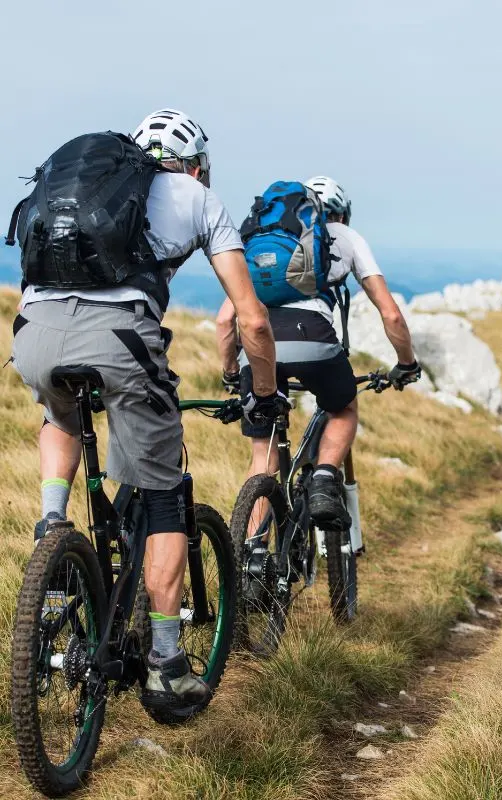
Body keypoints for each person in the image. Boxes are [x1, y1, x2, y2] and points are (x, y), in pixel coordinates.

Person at [11, 109, 278, 714]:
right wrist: (261, 393)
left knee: (59, 416)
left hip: (32, 336)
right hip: (119, 341)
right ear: (195, 164)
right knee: (164, 500)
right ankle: (165, 666)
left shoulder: (86, 185)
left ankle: (52, 523)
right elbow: (252, 318)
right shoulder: (195, 197)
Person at [216, 175, 420, 526]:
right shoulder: (346, 237)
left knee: (262, 454)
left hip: (258, 346)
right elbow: (391, 313)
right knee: (343, 407)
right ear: (340, 215)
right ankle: (325, 476)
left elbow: (224, 322)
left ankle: (252, 553)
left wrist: (232, 371)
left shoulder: (263, 242)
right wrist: (406, 362)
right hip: (315, 339)